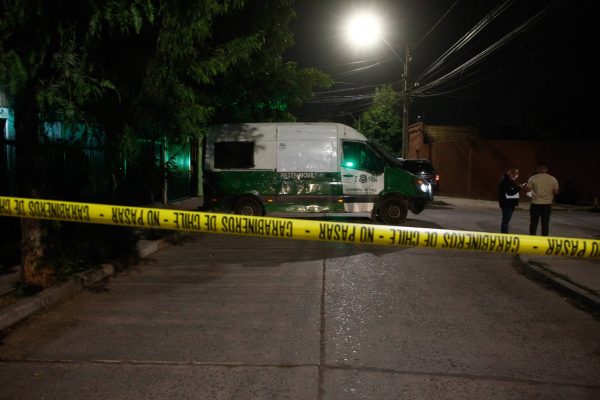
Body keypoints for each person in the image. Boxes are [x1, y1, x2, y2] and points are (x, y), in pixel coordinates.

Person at [526, 164, 559, 236]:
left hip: (535, 203)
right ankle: (544, 239)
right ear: (546, 170)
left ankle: (532, 238)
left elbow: (528, 190)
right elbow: (556, 191)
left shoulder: (533, 178)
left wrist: (533, 195)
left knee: (533, 223)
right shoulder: (553, 179)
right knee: (545, 223)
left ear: (538, 170)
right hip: (547, 204)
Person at [498, 168, 524, 233]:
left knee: (507, 220)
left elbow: (513, 188)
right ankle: (504, 235)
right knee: (506, 220)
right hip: (507, 203)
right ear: (510, 173)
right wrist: (519, 187)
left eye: (517, 176)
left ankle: (505, 233)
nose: (516, 177)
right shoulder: (505, 181)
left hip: (510, 203)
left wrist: (518, 187)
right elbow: (510, 192)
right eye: (515, 175)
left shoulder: (509, 180)